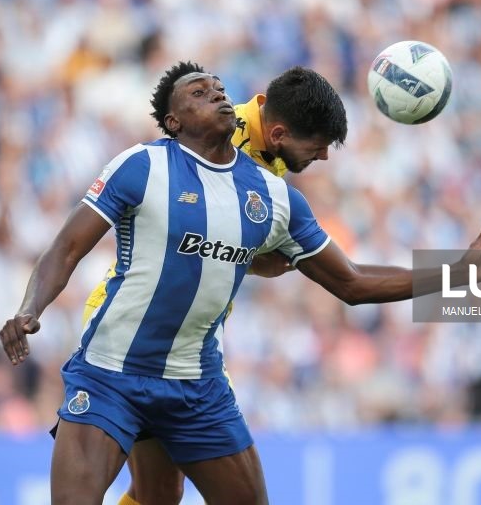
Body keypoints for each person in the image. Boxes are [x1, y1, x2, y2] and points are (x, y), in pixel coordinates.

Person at [0, 61, 481, 505]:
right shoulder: (144, 165)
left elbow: (351, 282)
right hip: (114, 363)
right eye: (199, 92)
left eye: (219, 87)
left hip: (194, 378)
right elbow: (66, 247)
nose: (219, 93)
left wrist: (455, 274)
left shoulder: (273, 194)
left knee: (163, 497)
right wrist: (30, 308)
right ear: (174, 122)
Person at [83, 65, 347, 505]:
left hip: (186, 334)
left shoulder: (254, 148)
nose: (322, 159)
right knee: (161, 490)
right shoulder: (224, 147)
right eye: (317, 148)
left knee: (161, 492)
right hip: (141, 328)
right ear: (279, 134)